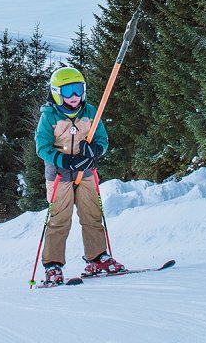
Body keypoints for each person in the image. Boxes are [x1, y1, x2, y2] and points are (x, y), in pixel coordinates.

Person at [34, 67, 124, 286]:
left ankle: (97, 258)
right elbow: (42, 147)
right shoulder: (49, 117)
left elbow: (102, 139)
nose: (74, 96)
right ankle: (53, 265)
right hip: (59, 174)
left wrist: (95, 151)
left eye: (78, 89)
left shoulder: (90, 112)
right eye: (68, 91)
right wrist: (64, 161)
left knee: (92, 214)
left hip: (85, 171)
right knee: (59, 219)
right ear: (56, 92)